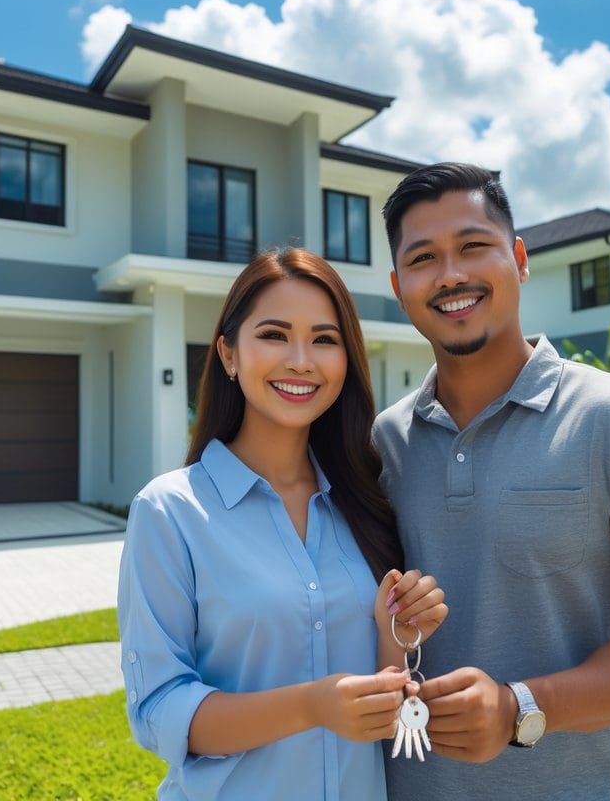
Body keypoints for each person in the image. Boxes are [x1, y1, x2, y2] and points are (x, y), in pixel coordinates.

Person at [373, 163, 610, 800]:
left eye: (473, 246)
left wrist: (521, 709)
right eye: (423, 258)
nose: (451, 274)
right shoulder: (383, 444)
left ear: (518, 258)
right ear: (399, 288)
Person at [118, 248, 448, 801]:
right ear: (228, 353)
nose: (301, 360)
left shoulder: (365, 501)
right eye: (273, 335)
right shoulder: (169, 512)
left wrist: (398, 636)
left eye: (324, 339)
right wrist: (310, 705)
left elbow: (375, 706)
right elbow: (158, 709)